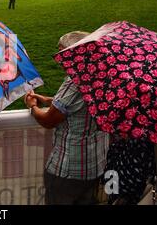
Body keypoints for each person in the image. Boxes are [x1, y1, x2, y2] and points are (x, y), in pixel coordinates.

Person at [24, 31, 110, 205]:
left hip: (69, 170)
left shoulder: (75, 83)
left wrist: (32, 106)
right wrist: (47, 99)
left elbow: (48, 120)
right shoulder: (104, 77)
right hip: (95, 165)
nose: (59, 60)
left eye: (61, 53)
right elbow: (76, 105)